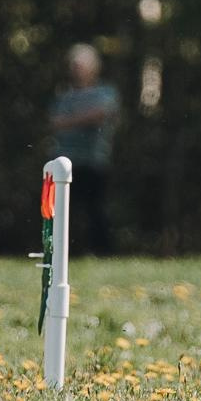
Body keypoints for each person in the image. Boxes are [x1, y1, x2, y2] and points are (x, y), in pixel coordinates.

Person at [48, 43, 119, 254]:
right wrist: (82, 119)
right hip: (65, 162)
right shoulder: (63, 95)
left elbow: (101, 115)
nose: (76, 69)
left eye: (80, 65)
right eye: (73, 65)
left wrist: (71, 120)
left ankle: (101, 252)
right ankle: (66, 252)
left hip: (94, 161)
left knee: (95, 210)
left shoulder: (105, 92)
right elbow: (54, 122)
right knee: (63, 212)